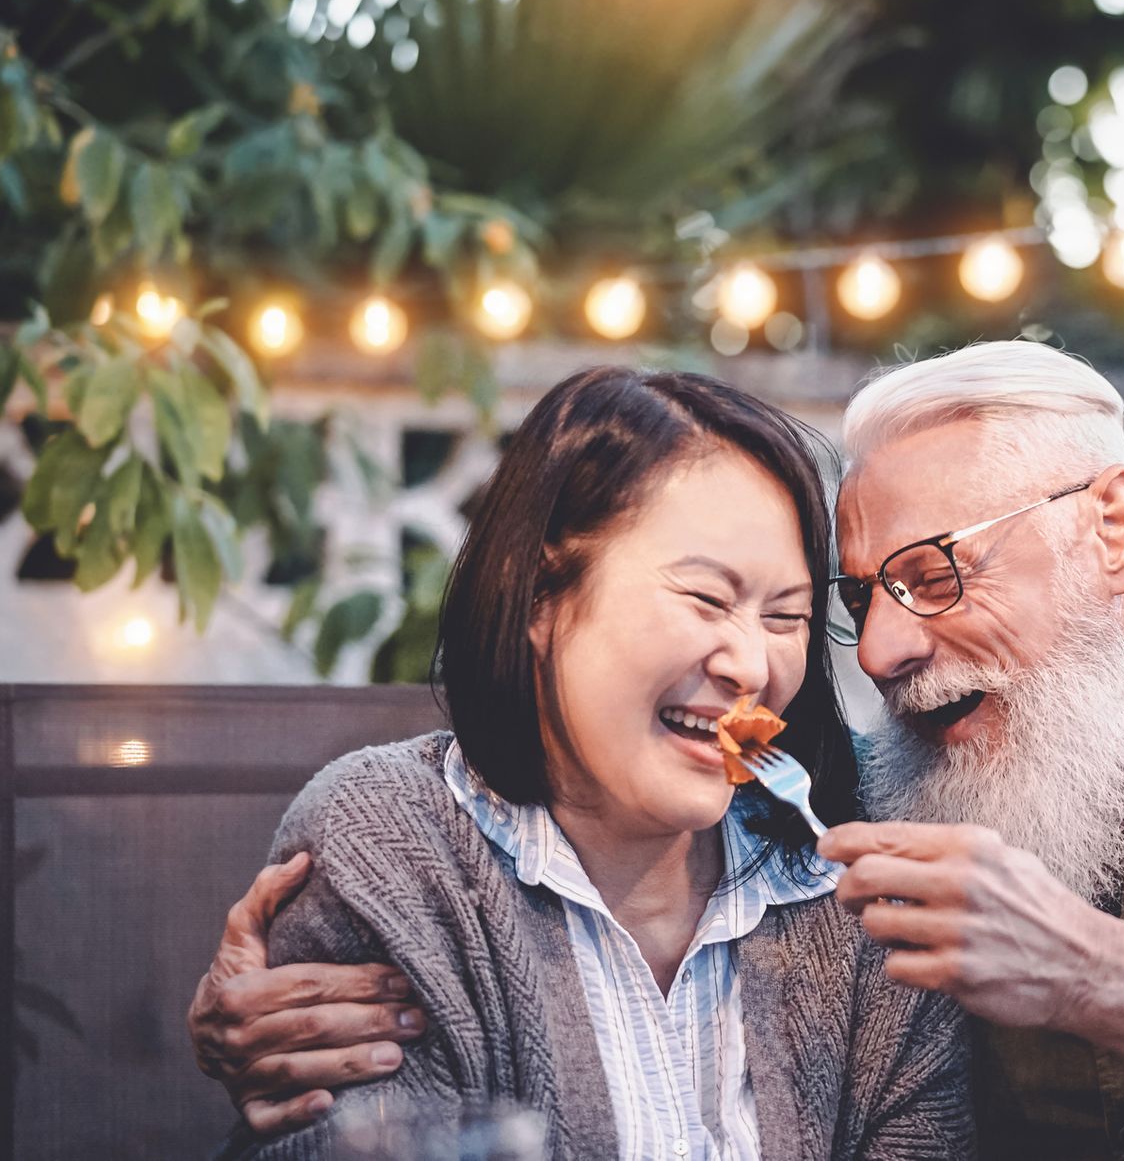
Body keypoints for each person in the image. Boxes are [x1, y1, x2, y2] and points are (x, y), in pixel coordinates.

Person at [192, 343, 1124, 1158]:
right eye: (862, 597)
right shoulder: (850, 826)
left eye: (934, 571)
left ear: (1113, 530)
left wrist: (1080, 967)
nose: (873, 651)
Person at [200, 366, 971, 1159]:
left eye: (787, 617)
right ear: (541, 595)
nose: (751, 663)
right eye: (706, 599)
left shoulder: (857, 890)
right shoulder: (389, 846)